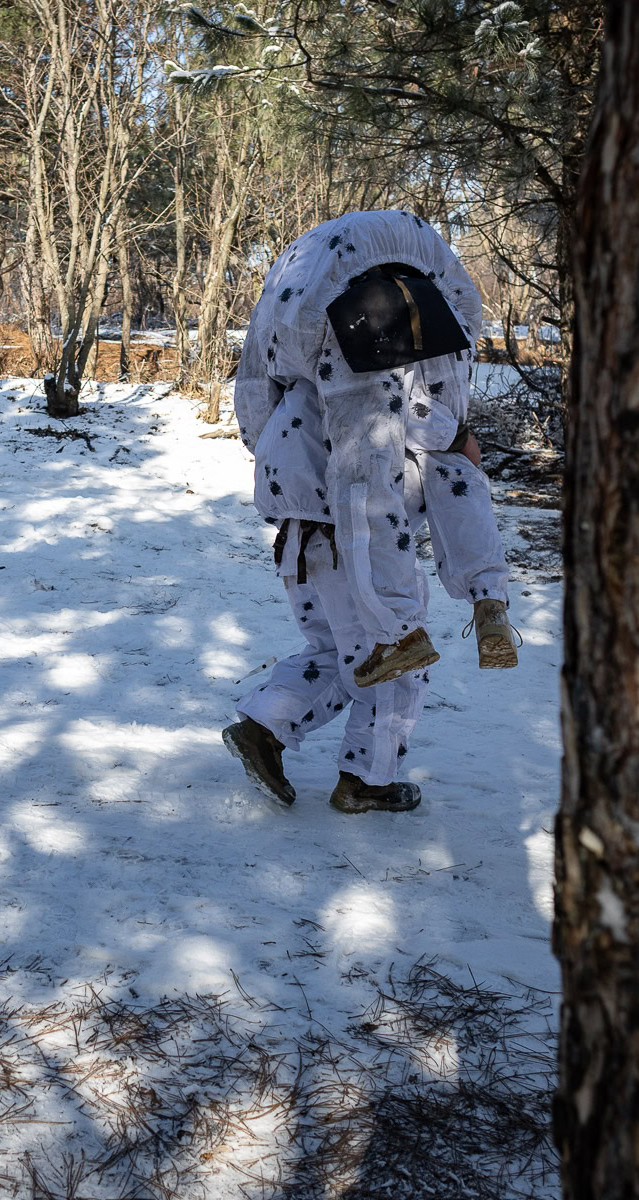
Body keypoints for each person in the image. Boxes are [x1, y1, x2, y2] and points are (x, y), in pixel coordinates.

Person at [222, 210, 518, 814]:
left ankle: (264, 726)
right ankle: (369, 780)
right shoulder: (390, 386)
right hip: (355, 545)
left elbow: (257, 410)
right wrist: (405, 612)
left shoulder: (307, 378)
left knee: (338, 653)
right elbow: (378, 483)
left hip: (299, 538)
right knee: (395, 663)